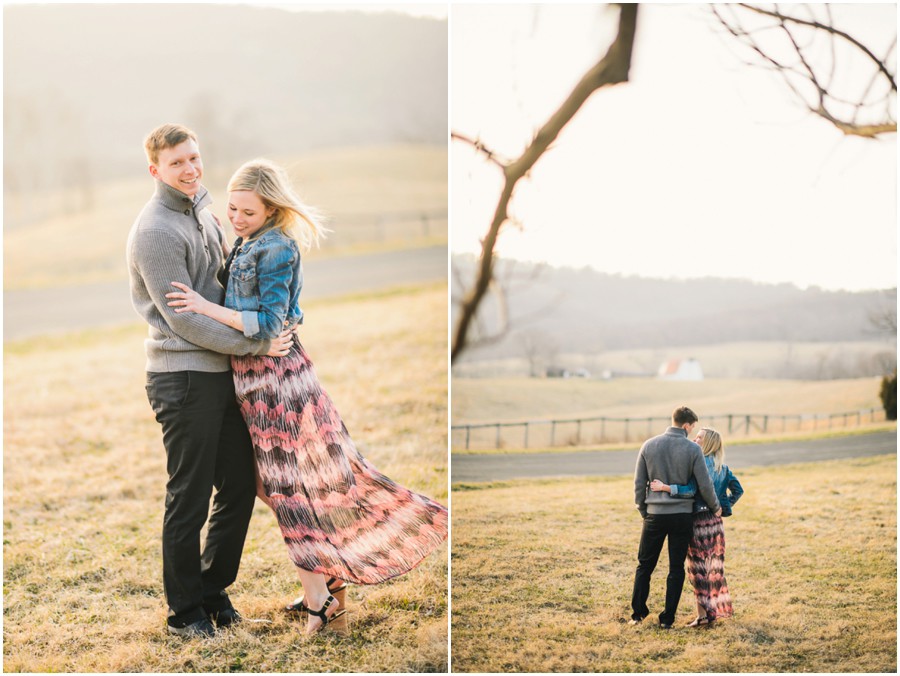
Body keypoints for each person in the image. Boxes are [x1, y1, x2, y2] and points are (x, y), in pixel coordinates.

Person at [165, 158, 449, 635]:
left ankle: (321, 599)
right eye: (232, 209)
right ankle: (329, 582)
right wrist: (214, 226)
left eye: (247, 213)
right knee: (273, 487)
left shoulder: (278, 248)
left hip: (276, 383)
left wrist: (203, 307)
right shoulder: (247, 239)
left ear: (272, 209)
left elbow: (270, 324)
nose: (237, 218)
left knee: (287, 489)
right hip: (254, 381)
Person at [127, 124, 295, 639]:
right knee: (190, 496)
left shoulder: (203, 207)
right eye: (177, 162)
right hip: (181, 378)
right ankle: (185, 613)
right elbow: (183, 319)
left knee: (241, 486)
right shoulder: (155, 230)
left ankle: (212, 587)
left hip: (221, 375)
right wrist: (256, 343)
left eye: (194, 158)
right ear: (155, 169)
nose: (190, 169)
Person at [630, 406, 721, 629]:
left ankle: (638, 614)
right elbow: (705, 485)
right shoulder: (693, 450)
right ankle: (667, 619)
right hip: (682, 517)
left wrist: (644, 510)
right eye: (693, 427)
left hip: (655, 515)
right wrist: (716, 506)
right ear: (686, 425)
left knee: (644, 566)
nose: (692, 431)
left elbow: (639, 484)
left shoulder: (649, 445)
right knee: (676, 568)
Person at [649, 427, 744, 628]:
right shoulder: (723, 467)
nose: (695, 439)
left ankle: (704, 616)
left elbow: (690, 490)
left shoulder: (700, 464)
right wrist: (722, 507)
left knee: (697, 569)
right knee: (712, 569)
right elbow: (738, 490)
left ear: (707, 443)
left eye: (699, 437)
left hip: (699, 523)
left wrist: (665, 487)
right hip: (715, 524)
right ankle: (708, 613)